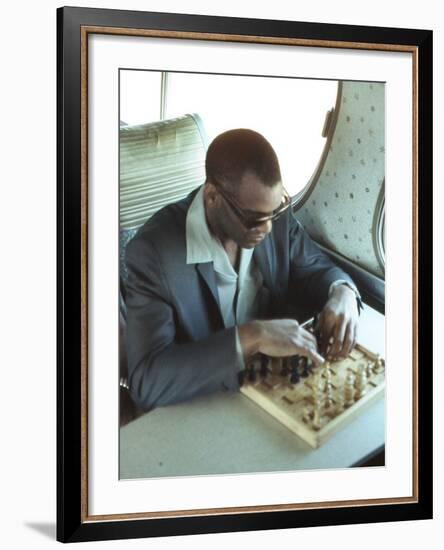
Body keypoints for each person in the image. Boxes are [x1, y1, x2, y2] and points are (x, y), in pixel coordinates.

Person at [125, 129, 362, 411]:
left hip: (270, 388)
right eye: (254, 219)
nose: (267, 228)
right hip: (203, 401)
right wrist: (250, 336)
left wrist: (343, 293)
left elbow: (317, 268)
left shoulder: (273, 217)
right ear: (212, 196)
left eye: (274, 213)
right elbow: (147, 382)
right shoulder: (153, 253)